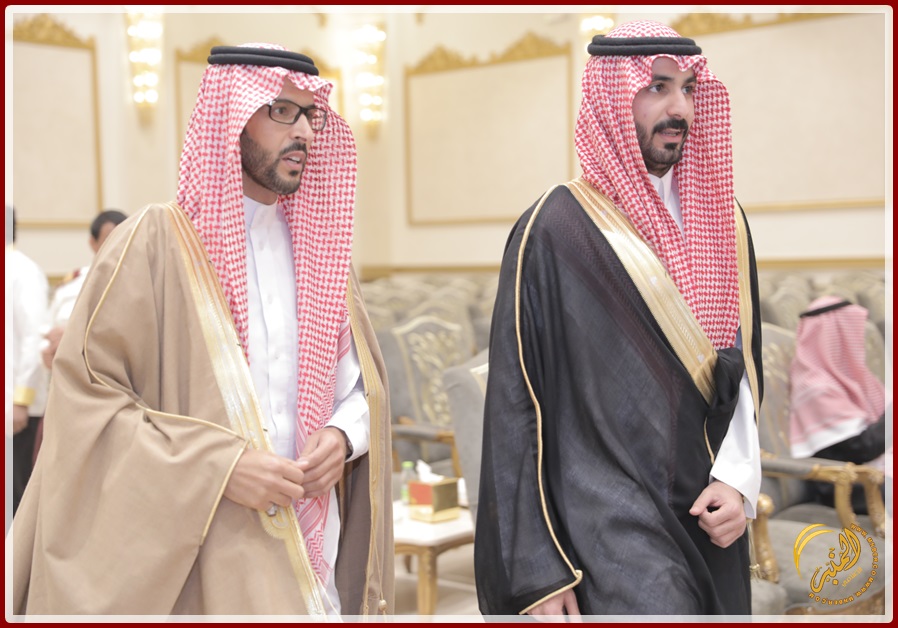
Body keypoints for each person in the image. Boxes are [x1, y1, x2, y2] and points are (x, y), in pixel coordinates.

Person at [12, 44, 393, 617]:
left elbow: (361, 388)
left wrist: (343, 436)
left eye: (309, 115)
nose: (303, 133)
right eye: (281, 111)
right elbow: (88, 404)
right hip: (200, 547)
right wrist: (218, 467)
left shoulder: (323, 251)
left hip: (312, 538)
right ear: (230, 117)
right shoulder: (152, 245)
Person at [475, 21, 763, 617]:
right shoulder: (554, 230)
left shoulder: (723, 218)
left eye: (687, 88)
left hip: (709, 513)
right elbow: (514, 407)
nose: (679, 108)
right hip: (602, 524)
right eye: (657, 86)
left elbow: (739, 370)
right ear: (611, 97)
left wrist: (739, 481)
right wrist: (537, 573)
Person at [789, 295, 888, 512]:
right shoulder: (815, 387)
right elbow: (862, 448)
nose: (859, 341)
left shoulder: (853, 377)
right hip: (850, 486)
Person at [40, 209, 129, 370]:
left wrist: (71, 337)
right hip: (67, 373)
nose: (118, 246)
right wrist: (47, 350)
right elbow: (46, 331)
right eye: (109, 239)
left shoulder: (141, 286)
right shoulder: (72, 284)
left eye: (125, 239)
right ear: (92, 243)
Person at [6, 206, 49, 517]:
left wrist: (21, 401)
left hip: (18, 408)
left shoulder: (23, 271)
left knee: (17, 498)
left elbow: (34, 340)